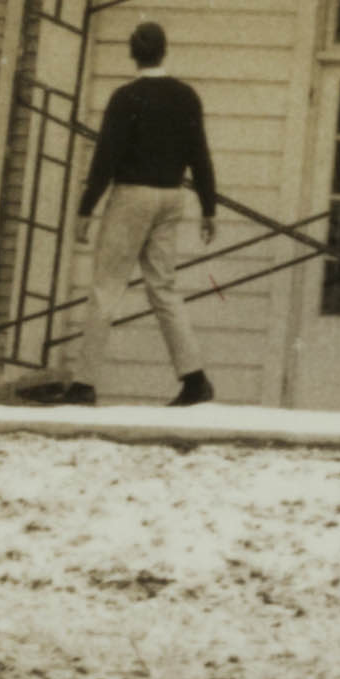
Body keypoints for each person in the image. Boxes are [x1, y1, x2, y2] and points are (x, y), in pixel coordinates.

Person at [77, 20, 223, 406]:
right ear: (164, 51)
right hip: (171, 197)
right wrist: (209, 207)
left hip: (132, 196)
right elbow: (200, 155)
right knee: (164, 289)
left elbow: (106, 157)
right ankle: (194, 378)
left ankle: (84, 383)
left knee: (107, 288)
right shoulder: (186, 96)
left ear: (132, 52)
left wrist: (85, 209)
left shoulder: (126, 97)